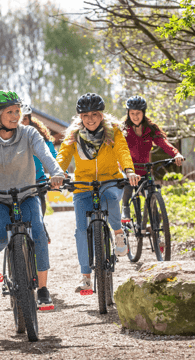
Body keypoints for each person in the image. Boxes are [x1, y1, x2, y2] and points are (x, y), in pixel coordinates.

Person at [0, 90, 64, 309]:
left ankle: (43, 289)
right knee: (0, 231)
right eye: (10, 112)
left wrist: (57, 173)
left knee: (37, 233)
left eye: (17, 111)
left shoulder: (28, 134)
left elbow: (45, 155)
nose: (16, 116)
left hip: (26, 196)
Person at [56, 93, 140, 293]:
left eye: (94, 114)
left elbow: (122, 150)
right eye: (85, 115)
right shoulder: (74, 135)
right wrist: (57, 173)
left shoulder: (114, 131)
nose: (90, 119)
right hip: (83, 185)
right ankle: (85, 276)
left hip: (109, 179)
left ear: (101, 115)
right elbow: (63, 155)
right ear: (80, 117)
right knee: (81, 230)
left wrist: (129, 170)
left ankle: (118, 233)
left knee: (112, 197)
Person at [121, 95, 184, 219]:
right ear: (128, 113)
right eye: (132, 113)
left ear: (143, 113)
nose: (135, 116)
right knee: (127, 185)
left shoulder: (150, 128)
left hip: (144, 169)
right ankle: (125, 208)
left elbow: (163, 142)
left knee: (151, 191)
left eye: (138, 113)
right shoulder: (123, 129)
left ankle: (155, 216)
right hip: (128, 169)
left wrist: (176, 153)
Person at [21, 104, 57, 216]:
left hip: (37, 181)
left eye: (24, 119)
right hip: (15, 182)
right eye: (18, 119)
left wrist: (61, 173)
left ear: (30, 120)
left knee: (38, 219)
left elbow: (53, 156)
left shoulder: (39, 136)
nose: (21, 122)